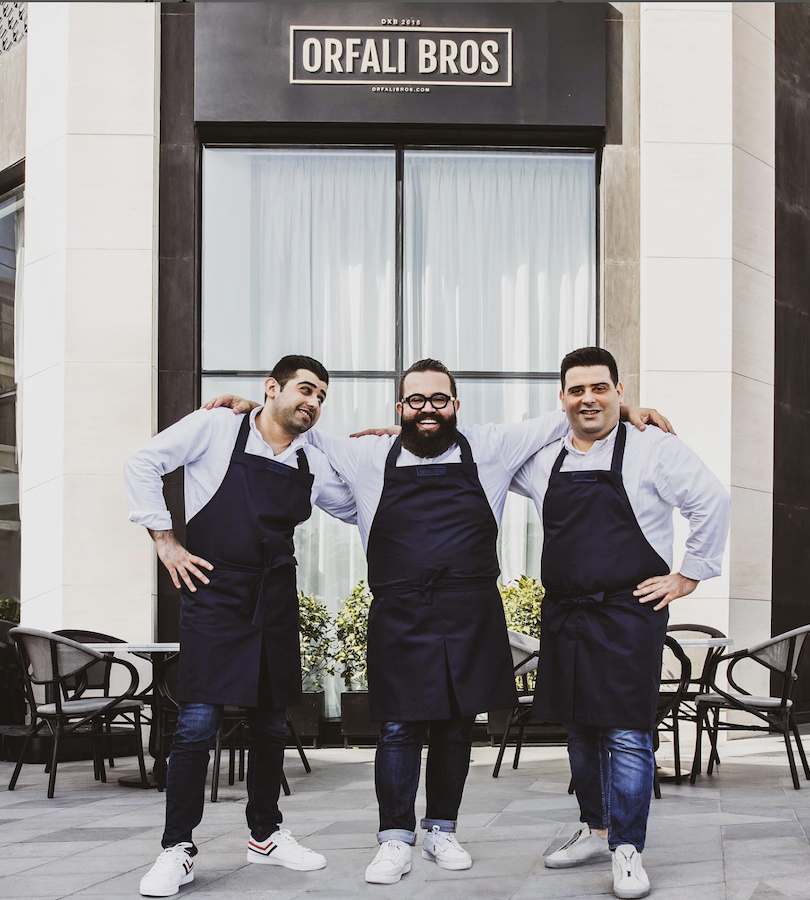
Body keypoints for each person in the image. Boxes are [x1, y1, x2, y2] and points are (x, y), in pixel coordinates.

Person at [207, 358, 670, 886]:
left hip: (471, 610)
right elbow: (298, 429)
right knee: (398, 727)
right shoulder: (366, 454)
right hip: (400, 611)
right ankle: (394, 838)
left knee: (456, 726)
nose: (428, 409)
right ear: (400, 407)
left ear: (455, 404)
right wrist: (258, 406)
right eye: (416, 400)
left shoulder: (491, 446)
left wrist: (624, 409)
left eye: (439, 399)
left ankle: (441, 830)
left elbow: (569, 415)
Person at [125, 355, 357, 898]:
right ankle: (177, 848)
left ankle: (266, 835)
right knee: (197, 724)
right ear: (272, 387)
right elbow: (142, 462)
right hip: (214, 590)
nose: (314, 402)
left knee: (271, 723)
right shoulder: (217, 426)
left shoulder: (311, 460)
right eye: (306, 390)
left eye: (322, 396)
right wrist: (165, 540)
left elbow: (352, 506)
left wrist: (389, 449)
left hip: (274, 594)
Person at [510, 346, 730, 900]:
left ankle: (628, 848)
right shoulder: (543, 458)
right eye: (577, 390)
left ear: (619, 391)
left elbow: (711, 501)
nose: (588, 399)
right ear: (562, 397)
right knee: (579, 728)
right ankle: (597, 830)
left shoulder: (654, 447)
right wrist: (400, 434)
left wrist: (688, 576)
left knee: (627, 733)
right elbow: (476, 455)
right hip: (566, 612)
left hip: (629, 611)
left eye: (600, 388)